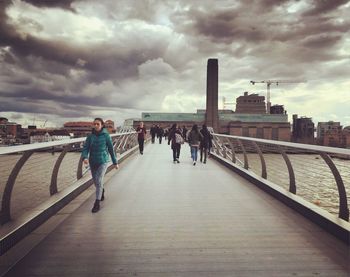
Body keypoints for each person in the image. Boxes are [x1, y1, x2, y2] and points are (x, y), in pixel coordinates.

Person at [82, 118, 118, 213]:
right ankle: (102, 190)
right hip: (93, 161)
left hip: (103, 161)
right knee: (96, 182)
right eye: (94, 124)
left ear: (102, 125)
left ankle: (97, 203)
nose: (96, 125)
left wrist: (115, 162)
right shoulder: (90, 136)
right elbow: (85, 148)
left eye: (98, 124)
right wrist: (85, 157)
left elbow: (111, 149)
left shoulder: (106, 136)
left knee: (99, 180)